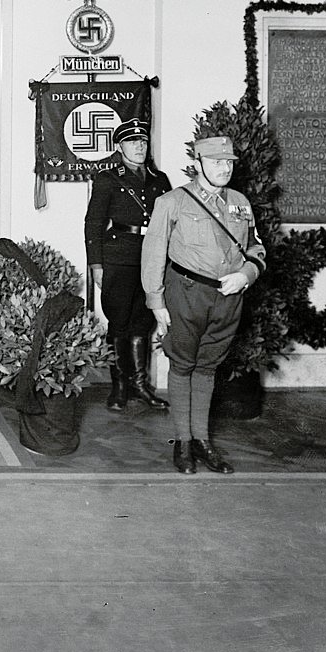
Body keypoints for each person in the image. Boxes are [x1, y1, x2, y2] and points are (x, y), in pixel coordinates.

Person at [140, 135, 266, 474]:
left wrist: (247, 274)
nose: (225, 168)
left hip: (228, 298)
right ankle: (183, 442)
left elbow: (255, 247)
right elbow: (153, 253)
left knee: (208, 367)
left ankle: (202, 440)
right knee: (182, 365)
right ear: (197, 164)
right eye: (216, 162)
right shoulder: (172, 202)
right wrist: (156, 302)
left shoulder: (240, 202)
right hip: (186, 294)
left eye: (228, 162)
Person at [84, 118, 172, 412]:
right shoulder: (108, 178)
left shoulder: (160, 180)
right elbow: (93, 223)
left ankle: (140, 385)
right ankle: (119, 386)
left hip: (152, 257)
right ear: (119, 147)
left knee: (143, 322)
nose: (139, 146)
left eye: (143, 141)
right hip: (119, 256)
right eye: (132, 141)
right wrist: (96, 263)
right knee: (120, 321)